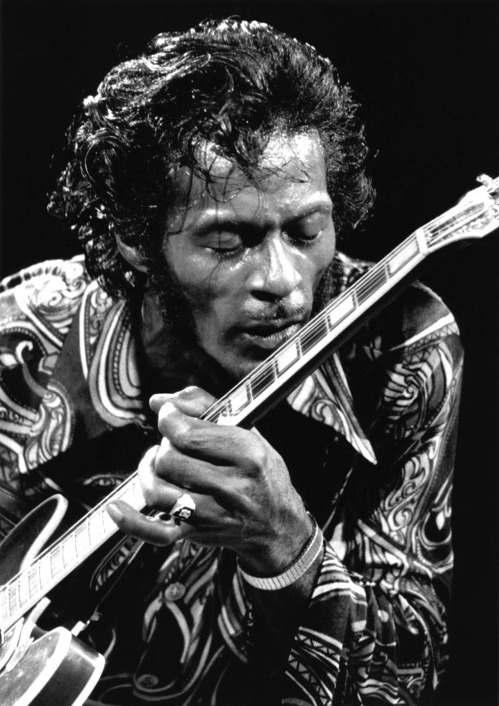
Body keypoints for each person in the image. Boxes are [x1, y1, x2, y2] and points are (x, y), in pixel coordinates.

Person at [0, 18, 463, 706]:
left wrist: (286, 544)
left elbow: (400, 683)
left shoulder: (400, 350)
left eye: (306, 231)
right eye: (228, 241)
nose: (283, 282)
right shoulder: (25, 336)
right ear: (135, 237)